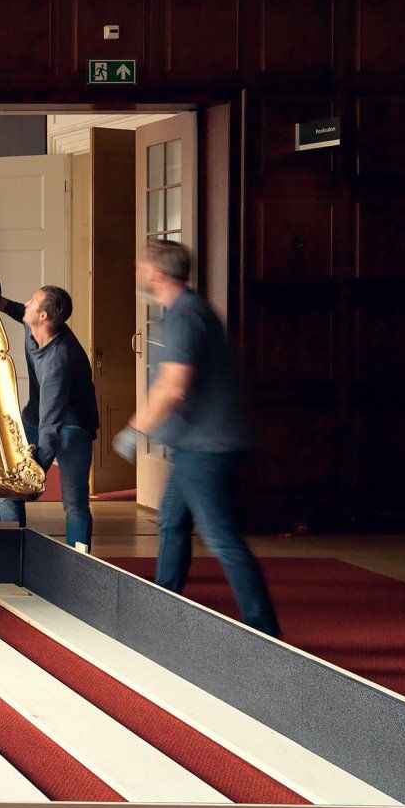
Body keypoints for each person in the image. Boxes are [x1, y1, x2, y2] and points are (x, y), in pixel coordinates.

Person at [116, 239, 279, 636]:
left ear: (157, 273)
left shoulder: (186, 316)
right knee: (172, 523)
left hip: (207, 447)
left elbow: (173, 386)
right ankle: (164, 605)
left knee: (222, 538)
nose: (137, 272)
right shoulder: (184, 312)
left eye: (142, 266)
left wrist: (135, 429)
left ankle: (266, 631)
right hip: (195, 445)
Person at [0, 284, 98, 549]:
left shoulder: (58, 362)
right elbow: (19, 311)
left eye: (32, 301)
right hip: (36, 417)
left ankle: (80, 561)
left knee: (74, 502)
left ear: (43, 316)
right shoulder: (36, 328)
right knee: (9, 488)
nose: (26, 304)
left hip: (74, 426)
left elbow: (50, 428)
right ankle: (12, 551)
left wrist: (35, 476)